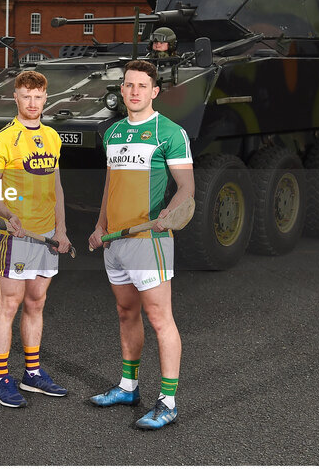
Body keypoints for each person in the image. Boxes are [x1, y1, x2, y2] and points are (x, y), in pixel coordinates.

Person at [87, 59, 194, 430]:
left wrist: (169, 213)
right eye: (129, 85)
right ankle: (128, 387)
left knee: (160, 319)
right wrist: (99, 225)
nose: (134, 92)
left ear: (154, 91)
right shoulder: (113, 132)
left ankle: (168, 402)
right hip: (115, 241)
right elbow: (111, 183)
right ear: (122, 90)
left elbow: (187, 188)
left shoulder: (170, 132)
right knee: (125, 313)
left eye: (142, 86)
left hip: (149, 241)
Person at [0, 70, 71, 408]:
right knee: (9, 304)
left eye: (37, 97)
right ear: (15, 97)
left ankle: (31, 374)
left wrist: (61, 229)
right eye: (26, 96)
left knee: (36, 302)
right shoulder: (2, 139)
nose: (32, 103)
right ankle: (1, 379)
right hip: (17, 236)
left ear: (45, 98)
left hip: (46, 235)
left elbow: (56, 186)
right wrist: (8, 215)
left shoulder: (52, 136)